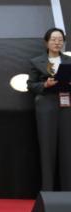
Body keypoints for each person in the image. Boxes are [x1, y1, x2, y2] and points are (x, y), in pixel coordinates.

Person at [27, 28, 71, 191]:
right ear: (46, 42)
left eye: (60, 39)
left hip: (66, 105)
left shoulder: (68, 60)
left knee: (68, 148)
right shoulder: (36, 61)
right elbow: (31, 85)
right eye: (53, 39)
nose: (57, 42)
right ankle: (47, 191)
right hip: (46, 104)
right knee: (47, 148)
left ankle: (68, 192)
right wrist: (45, 84)